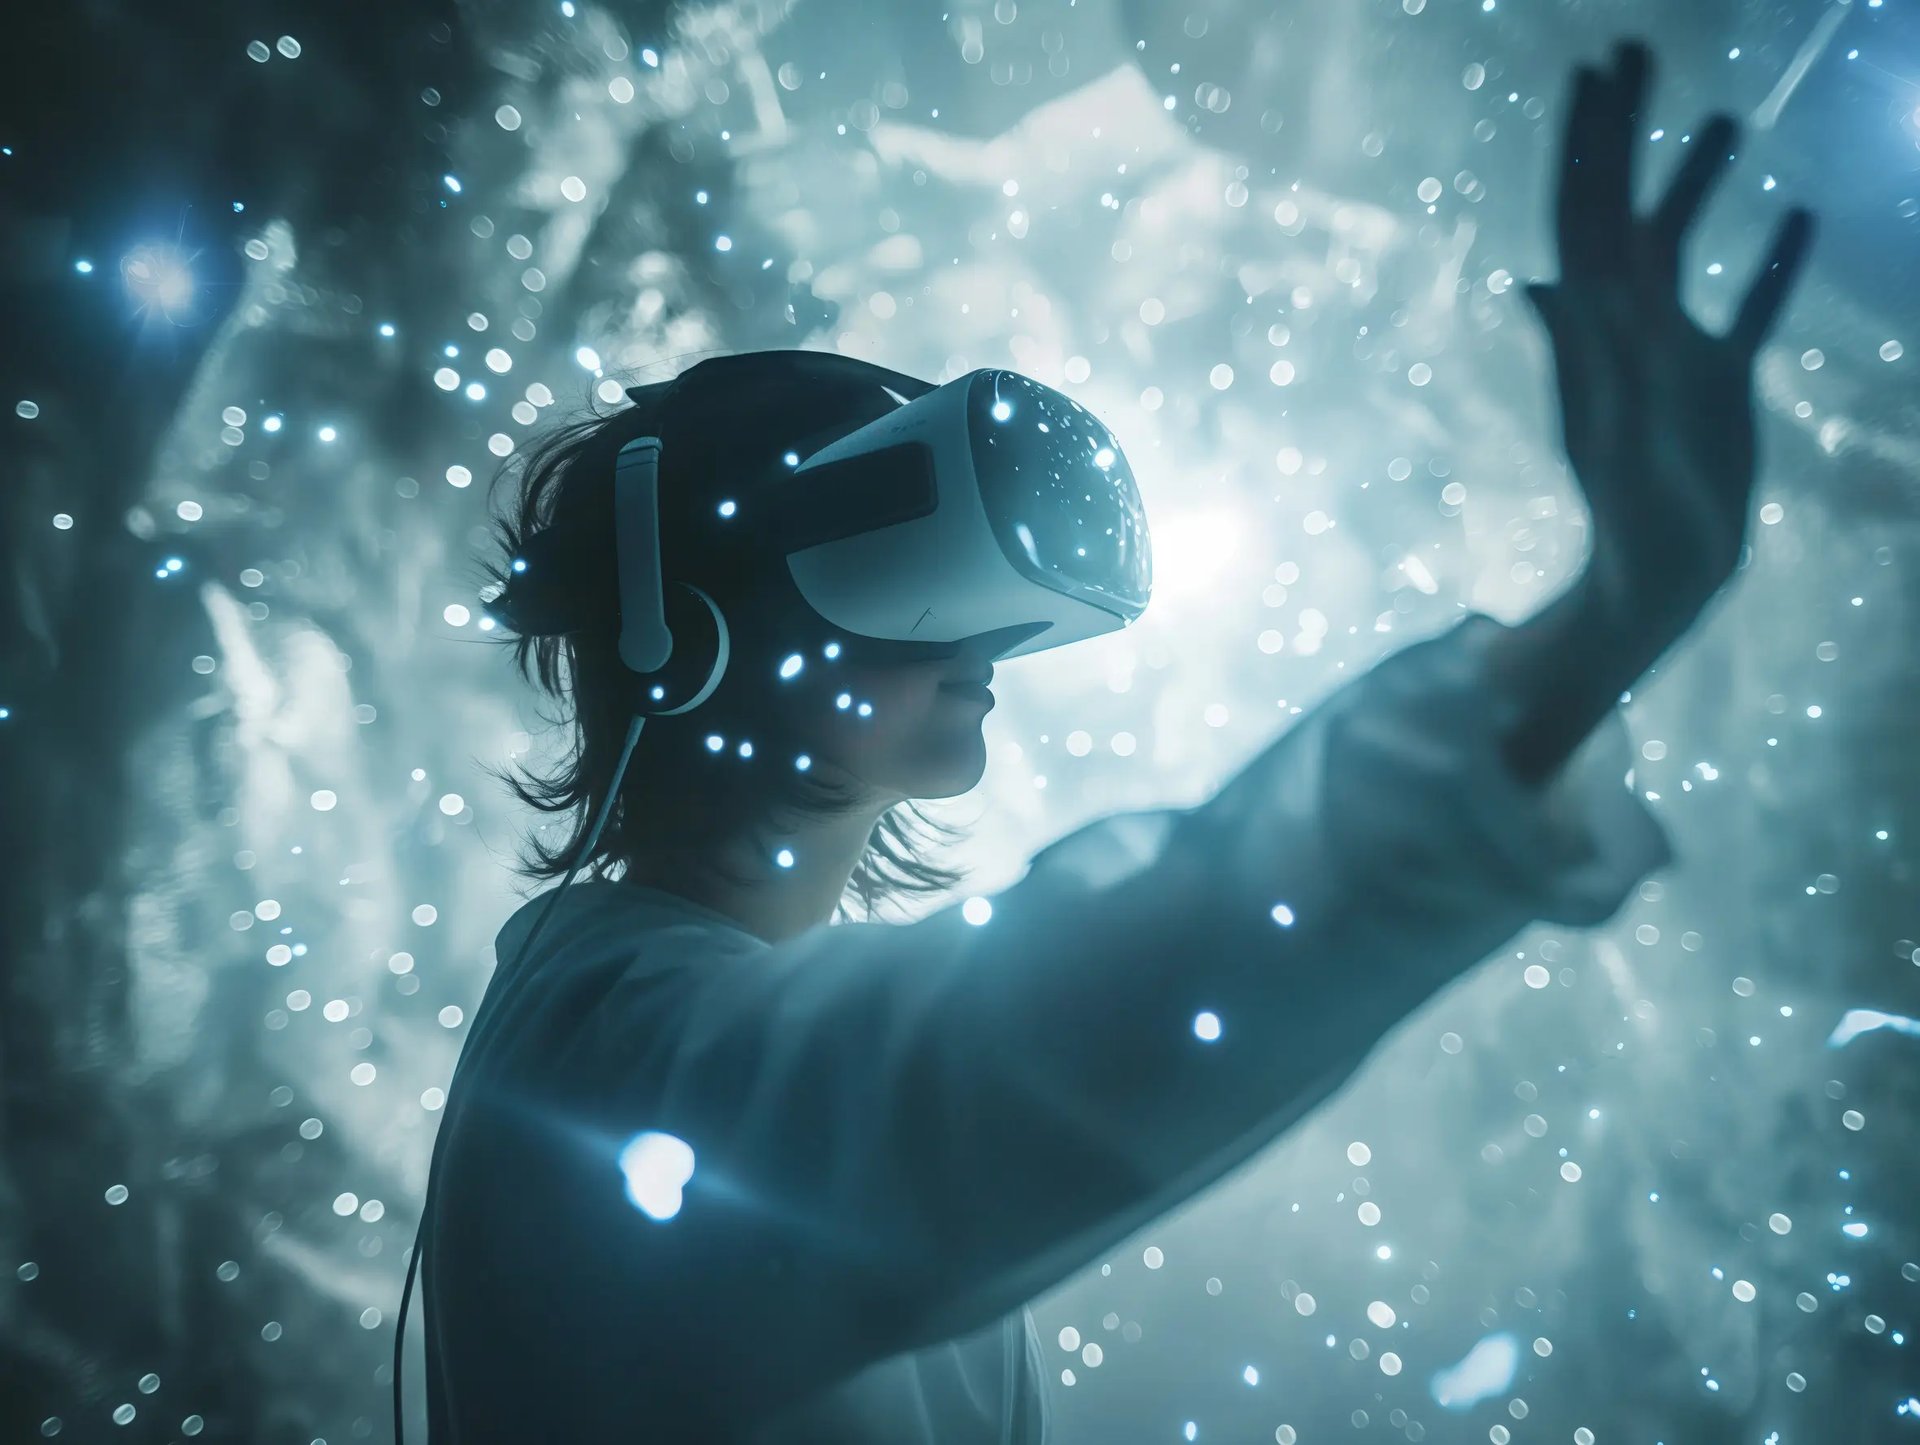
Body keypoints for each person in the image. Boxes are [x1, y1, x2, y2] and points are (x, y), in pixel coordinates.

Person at [419, 41, 1812, 1444]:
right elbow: (1072, 1032)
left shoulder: (671, 1024)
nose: (975, 633)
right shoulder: (608, 1070)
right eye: (893, 554)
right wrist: (1594, 633)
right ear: (673, 629)